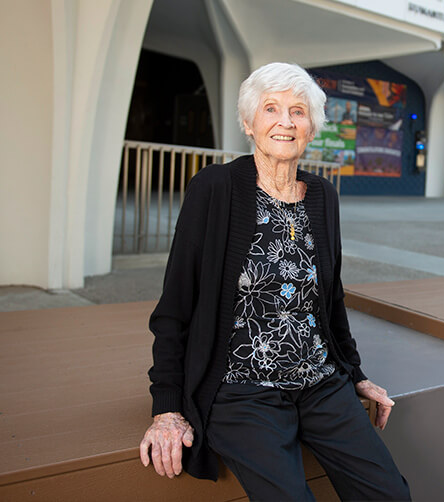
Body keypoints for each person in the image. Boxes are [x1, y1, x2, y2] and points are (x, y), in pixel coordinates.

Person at [139, 62, 411, 501]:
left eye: (298, 111)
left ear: (312, 128)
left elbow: (331, 299)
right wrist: (167, 407)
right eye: (271, 109)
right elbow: (174, 308)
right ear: (249, 123)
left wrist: (354, 373)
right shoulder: (214, 188)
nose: (285, 122)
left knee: (389, 495)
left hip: (321, 383)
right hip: (242, 390)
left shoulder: (323, 197)